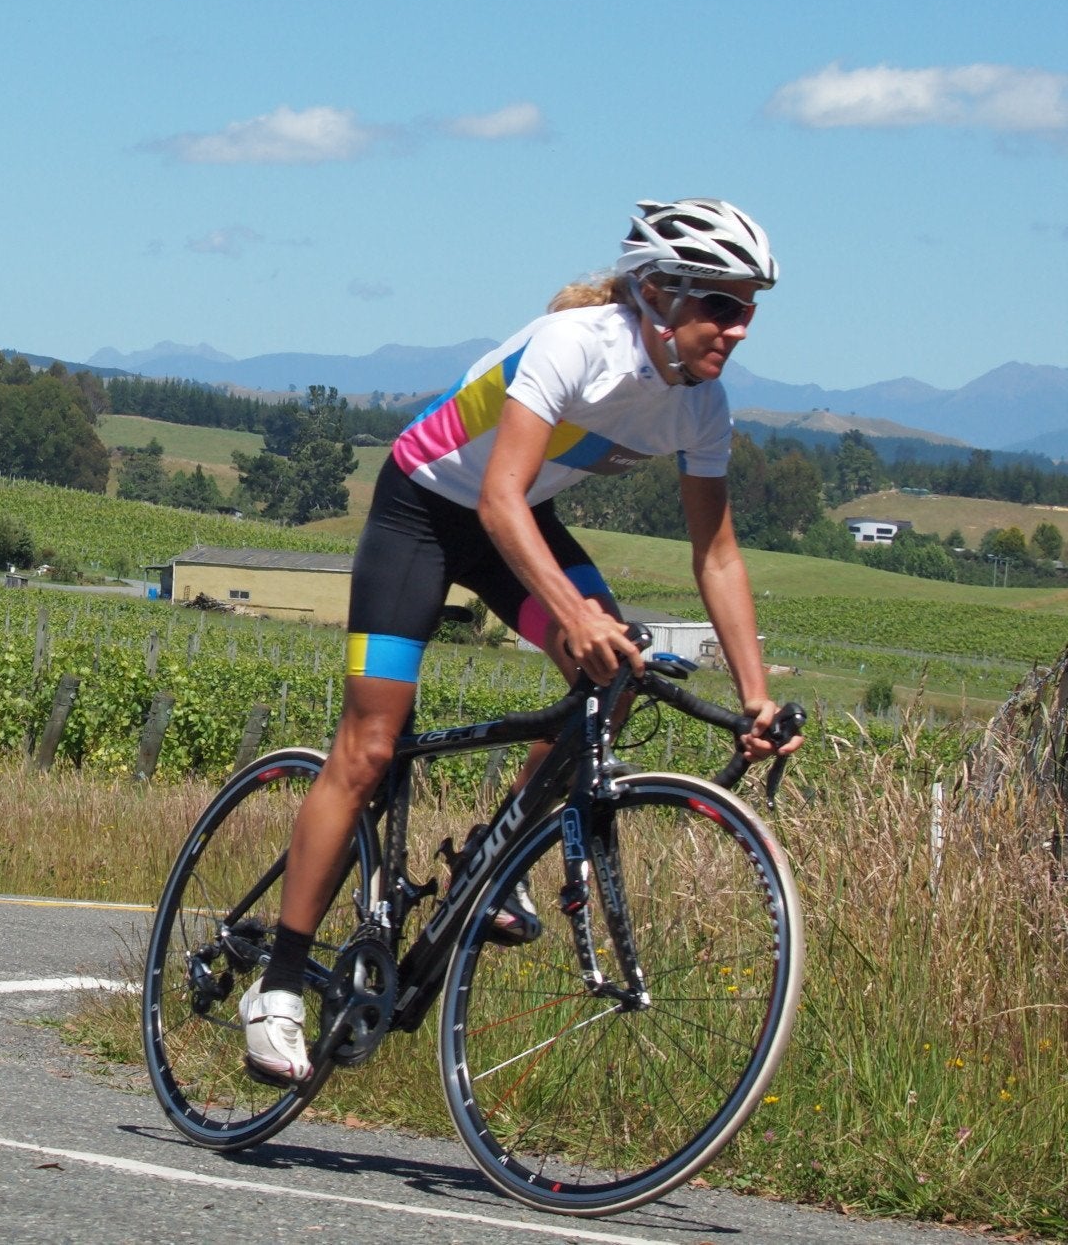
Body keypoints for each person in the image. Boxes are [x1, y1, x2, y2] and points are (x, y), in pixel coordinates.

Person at [242, 198, 805, 1084]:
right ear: (659, 294)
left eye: (750, 309)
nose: (738, 327)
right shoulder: (576, 344)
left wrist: (756, 696)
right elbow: (496, 497)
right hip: (424, 513)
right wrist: (573, 613)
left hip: (516, 524)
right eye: (721, 304)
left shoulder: (703, 407)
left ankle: (487, 858)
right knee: (372, 744)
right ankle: (276, 985)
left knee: (615, 673)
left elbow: (718, 555)